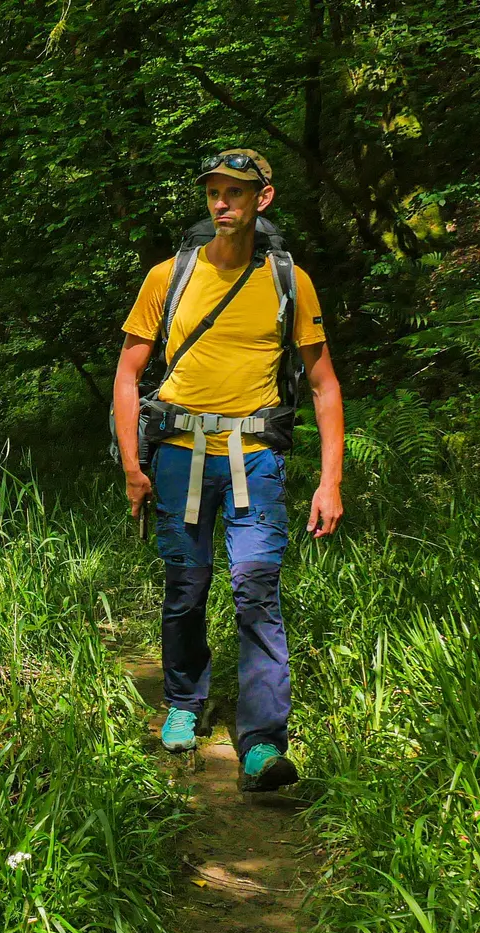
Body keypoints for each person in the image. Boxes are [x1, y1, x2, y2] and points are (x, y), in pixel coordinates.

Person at [111, 148, 345, 793]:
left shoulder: (290, 282)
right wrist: (132, 465)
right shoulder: (169, 276)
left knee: (257, 590)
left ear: (262, 199)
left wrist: (330, 482)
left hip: (255, 459)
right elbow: (128, 374)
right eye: (214, 191)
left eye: (236, 192)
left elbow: (324, 385)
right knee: (186, 589)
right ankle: (184, 703)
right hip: (179, 456)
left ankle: (263, 743)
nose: (222, 202)